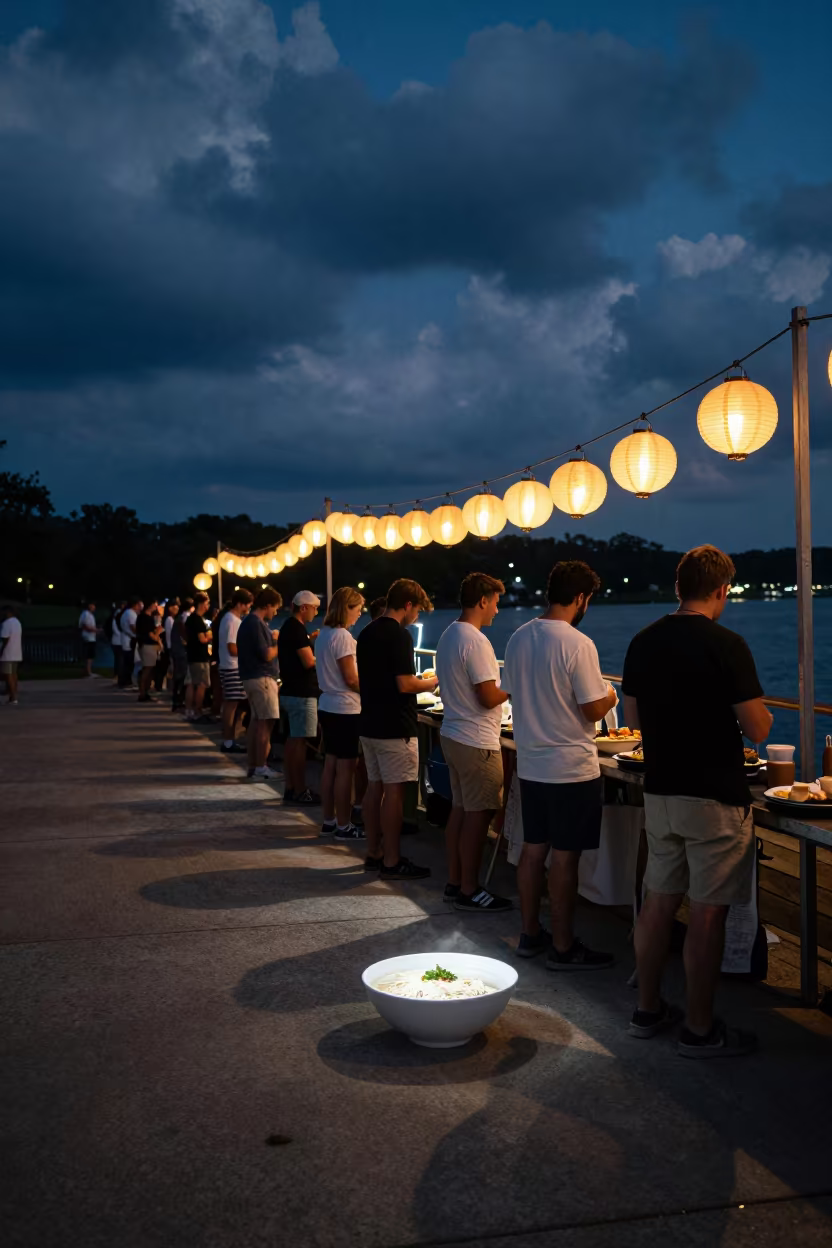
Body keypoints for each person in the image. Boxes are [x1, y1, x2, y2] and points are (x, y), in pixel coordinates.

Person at [621, 545, 772, 1058]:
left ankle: (646, 1008)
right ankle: (700, 1029)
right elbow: (756, 728)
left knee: (659, 900)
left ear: (679, 586)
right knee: (707, 914)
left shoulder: (643, 642)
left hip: (660, 791)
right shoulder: (727, 644)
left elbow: (634, 719)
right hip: (714, 796)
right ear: (721, 590)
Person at [502, 561, 617, 969]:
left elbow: (510, 693)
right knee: (565, 858)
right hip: (570, 768)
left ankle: (530, 934)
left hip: (532, 764)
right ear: (582, 597)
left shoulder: (518, 638)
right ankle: (564, 947)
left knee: (534, 851)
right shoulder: (577, 644)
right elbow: (591, 709)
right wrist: (611, 696)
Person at [436, 573, 511, 913]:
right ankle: (470, 888)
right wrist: (513, 683)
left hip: (452, 733)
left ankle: (455, 881)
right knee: (479, 816)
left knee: (460, 811)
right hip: (476, 740)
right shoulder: (476, 641)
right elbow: (487, 696)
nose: (497, 608)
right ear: (482, 600)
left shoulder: (449, 634)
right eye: (495, 601)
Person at [356, 578, 438, 880]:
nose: (416, 616)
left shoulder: (366, 632)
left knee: (373, 788)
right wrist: (433, 681)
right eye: (417, 609)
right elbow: (405, 684)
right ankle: (392, 860)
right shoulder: (400, 636)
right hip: (395, 726)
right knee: (393, 794)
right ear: (408, 605)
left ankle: (373, 852)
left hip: (369, 722)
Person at [317, 587, 365, 840]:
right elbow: (350, 678)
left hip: (327, 705)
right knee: (347, 768)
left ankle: (328, 821)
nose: (359, 615)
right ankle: (345, 826)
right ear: (347, 608)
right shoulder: (343, 637)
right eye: (357, 609)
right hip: (345, 708)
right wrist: (372, 690)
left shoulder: (323, 635)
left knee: (330, 765)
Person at [278, 591, 322, 805]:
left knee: (292, 741)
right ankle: (300, 789)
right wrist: (325, 656)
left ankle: (290, 787)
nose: (316, 612)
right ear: (304, 607)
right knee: (299, 743)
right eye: (314, 608)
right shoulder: (296, 629)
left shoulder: (291, 627)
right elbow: (308, 662)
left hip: (290, 691)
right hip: (301, 693)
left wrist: (309, 640)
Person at [237, 588, 282, 781]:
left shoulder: (249, 622)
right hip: (261, 678)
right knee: (265, 724)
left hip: (250, 677)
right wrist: (279, 643)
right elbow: (267, 654)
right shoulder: (256, 623)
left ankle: (254, 766)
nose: (276, 612)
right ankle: (261, 767)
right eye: (276, 608)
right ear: (268, 605)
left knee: (256, 723)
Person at [218, 589, 253, 753]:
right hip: (233, 667)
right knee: (231, 706)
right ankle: (228, 741)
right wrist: (251, 651)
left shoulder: (228, 618)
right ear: (240, 604)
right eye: (248, 605)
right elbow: (232, 648)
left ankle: (230, 739)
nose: (249, 609)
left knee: (233, 706)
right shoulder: (233, 621)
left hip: (228, 665)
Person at [184, 592, 212, 721]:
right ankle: (197, 711)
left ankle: (189, 710)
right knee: (201, 684)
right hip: (200, 656)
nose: (208, 606)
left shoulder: (190, 619)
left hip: (191, 655)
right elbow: (202, 639)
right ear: (201, 604)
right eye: (207, 603)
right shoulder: (198, 620)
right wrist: (210, 635)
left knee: (191, 684)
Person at [136, 599, 163, 702]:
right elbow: (150, 634)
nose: (156, 607)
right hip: (149, 645)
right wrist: (158, 633)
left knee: (149, 669)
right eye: (155, 605)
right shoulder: (146, 618)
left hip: (145, 645)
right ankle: (143, 693)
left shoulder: (142, 617)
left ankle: (145, 692)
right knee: (147, 669)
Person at [170, 598, 191, 711]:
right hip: (181, 651)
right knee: (181, 677)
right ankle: (178, 701)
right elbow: (185, 635)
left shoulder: (179, 618)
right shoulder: (184, 617)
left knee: (179, 676)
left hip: (177, 650)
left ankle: (176, 700)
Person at [0, 605, 23, 704]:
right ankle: (13, 695)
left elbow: (5, 638)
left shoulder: (6, 623)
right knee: (13, 674)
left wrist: (1, 651)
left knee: (8, 675)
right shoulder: (17, 622)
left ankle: (13, 696)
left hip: (8, 654)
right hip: (16, 652)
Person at [119, 596, 141, 689]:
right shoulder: (130, 613)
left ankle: (125, 681)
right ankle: (126, 682)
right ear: (135, 605)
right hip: (129, 640)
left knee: (128, 661)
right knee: (129, 662)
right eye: (139, 605)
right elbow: (133, 627)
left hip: (127, 639)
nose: (140, 607)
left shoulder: (126, 613)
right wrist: (141, 633)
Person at [78, 602, 98, 678]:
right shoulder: (85, 614)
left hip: (91, 637)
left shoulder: (90, 615)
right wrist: (94, 630)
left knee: (90, 655)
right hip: (88, 637)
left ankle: (88, 671)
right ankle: (88, 672)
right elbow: (84, 625)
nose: (94, 607)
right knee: (89, 655)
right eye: (93, 606)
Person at [109, 601, 125, 686]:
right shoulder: (118, 616)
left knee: (118, 659)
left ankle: (117, 675)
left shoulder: (116, 617)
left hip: (117, 641)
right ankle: (118, 676)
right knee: (120, 659)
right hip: (118, 642)